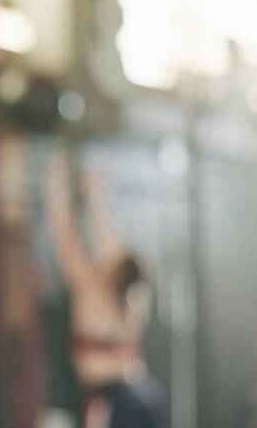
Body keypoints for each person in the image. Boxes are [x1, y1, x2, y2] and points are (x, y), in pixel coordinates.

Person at [45, 151, 166, 428]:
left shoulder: (94, 292)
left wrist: (55, 183)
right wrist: (94, 193)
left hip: (114, 399)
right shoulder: (133, 295)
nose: (109, 249)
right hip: (133, 394)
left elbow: (64, 233)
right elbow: (103, 238)